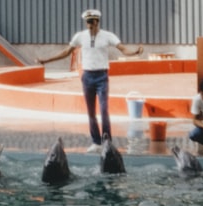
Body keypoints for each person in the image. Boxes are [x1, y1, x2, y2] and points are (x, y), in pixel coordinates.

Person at [38, 9, 143, 152]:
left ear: (97, 22)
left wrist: (135, 52)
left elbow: (122, 49)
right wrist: (46, 60)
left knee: (104, 110)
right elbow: (66, 52)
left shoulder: (107, 36)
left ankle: (107, 142)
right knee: (91, 111)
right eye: (87, 23)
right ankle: (96, 141)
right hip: (87, 76)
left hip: (102, 76)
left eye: (92, 23)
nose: (89, 26)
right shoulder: (80, 36)